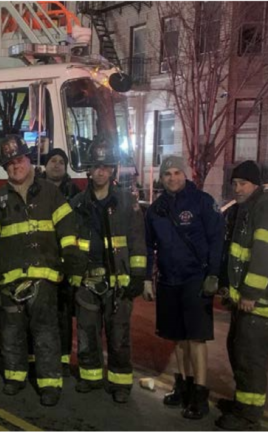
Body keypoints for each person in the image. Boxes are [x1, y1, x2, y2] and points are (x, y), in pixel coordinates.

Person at [0, 134, 80, 407]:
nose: (16, 166)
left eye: (19, 160)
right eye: (10, 163)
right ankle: (15, 377)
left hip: (44, 277)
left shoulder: (50, 192)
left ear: (28, 160)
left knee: (45, 331)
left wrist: (70, 255)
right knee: (11, 330)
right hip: (10, 278)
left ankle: (49, 384)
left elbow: (67, 227)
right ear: (5, 167)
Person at [145, 155, 224, 420]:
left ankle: (199, 394)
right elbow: (148, 246)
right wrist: (147, 278)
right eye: (168, 174)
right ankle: (183, 385)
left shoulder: (202, 202)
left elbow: (216, 241)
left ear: (185, 174)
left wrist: (213, 274)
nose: (172, 178)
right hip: (169, 280)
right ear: (162, 177)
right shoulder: (155, 209)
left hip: (195, 279)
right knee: (178, 338)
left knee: (196, 338)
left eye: (178, 173)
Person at [68, 143, 146, 403]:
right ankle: (90, 377)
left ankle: (120, 382)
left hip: (118, 281)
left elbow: (137, 240)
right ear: (89, 171)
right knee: (87, 333)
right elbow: (69, 242)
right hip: (87, 280)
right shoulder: (77, 204)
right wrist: (72, 274)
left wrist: (137, 275)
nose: (100, 172)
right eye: (95, 167)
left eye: (105, 167)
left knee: (118, 335)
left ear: (112, 170)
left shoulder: (126, 202)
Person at [215, 161, 268, 431]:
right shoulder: (246, 209)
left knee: (250, 358)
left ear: (255, 184)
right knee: (238, 352)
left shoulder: (263, 208)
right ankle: (243, 403)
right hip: (243, 301)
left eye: (243, 184)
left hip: (256, 303)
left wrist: (249, 293)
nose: (237, 189)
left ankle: (248, 414)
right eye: (234, 183)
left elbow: (262, 255)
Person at [40, 147, 80, 376]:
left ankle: (63, 359)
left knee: (63, 314)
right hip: (42, 259)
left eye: (61, 162)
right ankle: (38, 357)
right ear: (46, 165)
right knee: (40, 313)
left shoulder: (75, 192)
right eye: (53, 161)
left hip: (63, 261)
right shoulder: (34, 189)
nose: (56, 165)